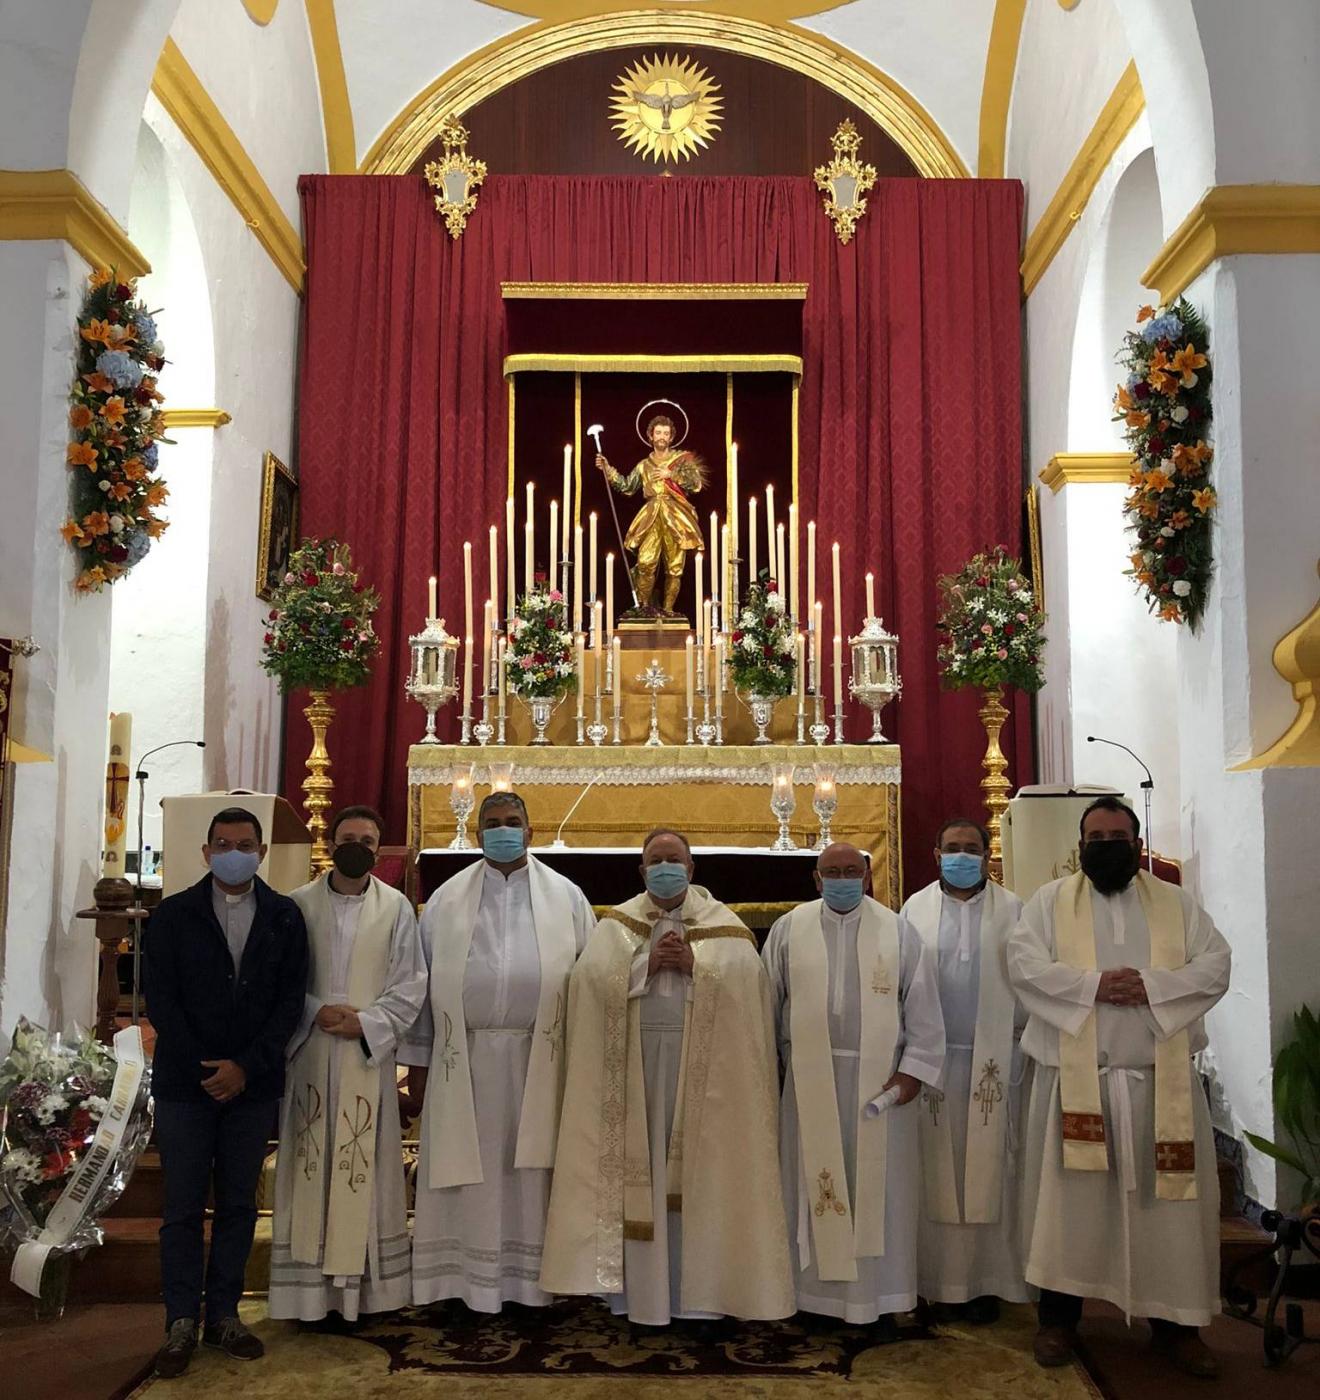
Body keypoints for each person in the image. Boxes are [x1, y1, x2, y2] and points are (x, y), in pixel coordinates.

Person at [1009, 796, 1231, 1377]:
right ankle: (1058, 1321)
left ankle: (1178, 1327)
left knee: (1168, 1213)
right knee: (1070, 1210)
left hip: (1160, 1089)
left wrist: (1151, 987)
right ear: (1080, 846)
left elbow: (1215, 965)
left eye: (1117, 838)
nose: (1106, 847)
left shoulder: (1177, 905)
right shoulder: (1049, 903)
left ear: (1137, 844)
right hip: (1075, 1086)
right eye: (1096, 839)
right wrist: (1094, 987)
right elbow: (1023, 964)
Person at [540, 829, 793, 1325]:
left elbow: (751, 992)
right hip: (634, 1067)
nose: (664, 868)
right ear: (641, 870)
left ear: (692, 868)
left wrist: (699, 968)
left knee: (703, 1175)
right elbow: (586, 985)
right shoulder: (618, 925)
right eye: (655, 860)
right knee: (642, 1175)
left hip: (705, 1070)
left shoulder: (724, 927)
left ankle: (703, 1302)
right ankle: (642, 1299)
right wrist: (644, 967)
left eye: (673, 859)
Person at [398, 792, 594, 1311]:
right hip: (461, 1059)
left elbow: (590, 980)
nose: (502, 831)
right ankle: (458, 1283)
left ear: (530, 832)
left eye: (512, 822)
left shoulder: (567, 897)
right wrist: (417, 1063)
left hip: (541, 1058)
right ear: (478, 832)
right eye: (492, 823)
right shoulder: (447, 899)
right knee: (467, 1175)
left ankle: (535, 1286)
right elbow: (422, 983)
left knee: (531, 1174)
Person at [145, 806, 308, 1378]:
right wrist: (206, 1068)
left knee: (238, 1204)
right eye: (222, 843)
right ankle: (179, 1320)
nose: (232, 853)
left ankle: (224, 1315)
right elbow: (161, 1000)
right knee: (183, 1208)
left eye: (243, 844)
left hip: (252, 1086)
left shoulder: (284, 916)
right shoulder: (173, 915)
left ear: (261, 853)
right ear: (206, 852)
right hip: (185, 1086)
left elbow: (290, 1002)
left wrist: (244, 1067)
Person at [763, 842, 945, 1336]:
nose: (842, 879)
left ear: (867, 877)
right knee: (809, 1185)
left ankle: (885, 1296)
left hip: (880, 1086)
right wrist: (770, 1070)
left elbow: (923, 1008)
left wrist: (913, 1072)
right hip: (807, 1082)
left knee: (882, 1191)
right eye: (832, 872)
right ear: (816, 879)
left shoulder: (898, 930)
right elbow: (766, 1003)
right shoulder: (788, 930)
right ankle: (810, 1297)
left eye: (851, 871)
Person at [268, 805, 426, 1325]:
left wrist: (369, 1022)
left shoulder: (396, 908)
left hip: (365, 1053)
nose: (357, 846)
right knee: (310, 1164)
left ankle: (366, 1296)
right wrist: (315, 1011)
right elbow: (281, 977)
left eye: (367, 839)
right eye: (348, 837)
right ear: (332, 844)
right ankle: (308, 1298)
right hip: (311, 1049)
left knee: (365, 1165)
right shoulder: (297, 905)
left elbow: (411, 981)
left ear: (379, 850)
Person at [902, 818, 1026, 1323]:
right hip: (932, 1061)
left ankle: (984, 1283)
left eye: (971, 848)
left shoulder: (1015, 911)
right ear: (936, 854)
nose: (961, 856)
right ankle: (932, 1282)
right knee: (933, 1172)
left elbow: (1030, 980)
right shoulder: (913, 910)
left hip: (994, 1060)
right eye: (952, 847)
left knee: (993, 1170)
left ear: (987, 854)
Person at [596, 411, 706, 618]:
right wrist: (608, 469)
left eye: (666, 433)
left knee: (674, 567)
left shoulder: (681, 460)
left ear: (671, 437)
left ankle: (668, 610)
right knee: (646, 563)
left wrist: (671, 474)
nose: (662, 437)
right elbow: (627, 486)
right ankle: (644, 608)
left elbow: (696, 484)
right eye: (658, 433)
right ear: (650, 436)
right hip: (651, 517)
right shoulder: (644, 465)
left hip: (675, 517)